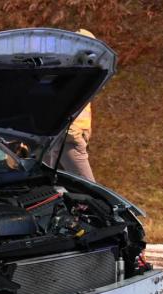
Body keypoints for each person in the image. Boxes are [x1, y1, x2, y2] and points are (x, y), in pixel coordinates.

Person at [48, 28, 98, 182]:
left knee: (58, 186)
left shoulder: (81, 73)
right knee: (91, 189)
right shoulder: (69, 74)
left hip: (68, 137)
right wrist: (74, 136)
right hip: (69, 139)